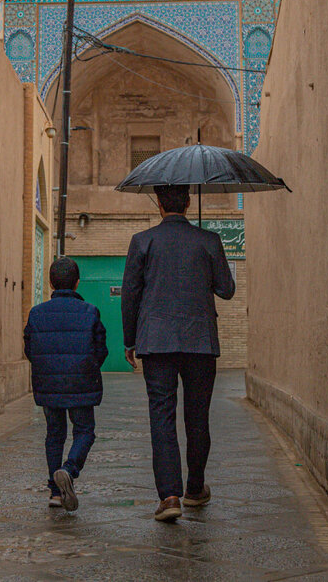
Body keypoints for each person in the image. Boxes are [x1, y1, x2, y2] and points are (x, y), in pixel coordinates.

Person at [121, 184, 235, 522]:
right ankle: (195, 488)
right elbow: (226, 289)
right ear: (187, 202)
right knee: (197, 416)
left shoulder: (142, 241)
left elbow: (130, 295)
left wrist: (130, 342)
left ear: (158, 204)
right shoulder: (209, 241)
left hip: (156, 342)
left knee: (162, 416)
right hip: (200, 342)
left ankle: (169, 497)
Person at [23, 256, 108, 511]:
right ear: (77, 283)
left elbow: (30, 348)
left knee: (54, 434)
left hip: (49, 384)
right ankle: (69, 470)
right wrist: (88, 368)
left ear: (50, 282)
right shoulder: (90, 312)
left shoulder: (36, 314)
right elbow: (101, 349)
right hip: (81, 382)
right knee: (84, 431)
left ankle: (55, 493)